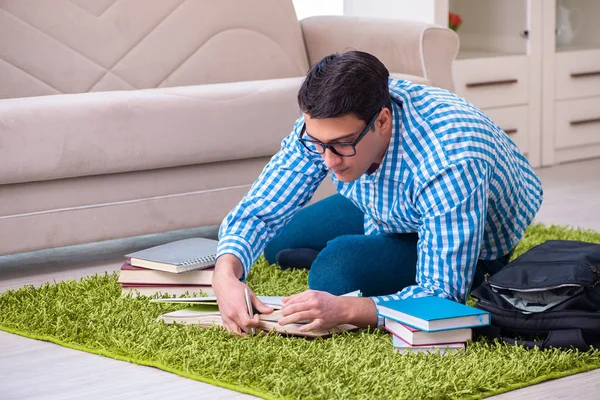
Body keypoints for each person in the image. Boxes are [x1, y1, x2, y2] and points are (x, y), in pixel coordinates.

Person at [212, 50, 543, 335]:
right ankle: (368, 252)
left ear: (382, 121)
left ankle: (364, 257)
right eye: (317, 143)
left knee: (332, 276)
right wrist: (224, 273)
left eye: (342, 145)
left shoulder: (450, 160)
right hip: (386, 205)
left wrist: (345, 310)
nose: (326, 160)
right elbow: (263, 207)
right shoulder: (329, 126)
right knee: (274, 240)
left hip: (477, 237)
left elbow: (442, 297)